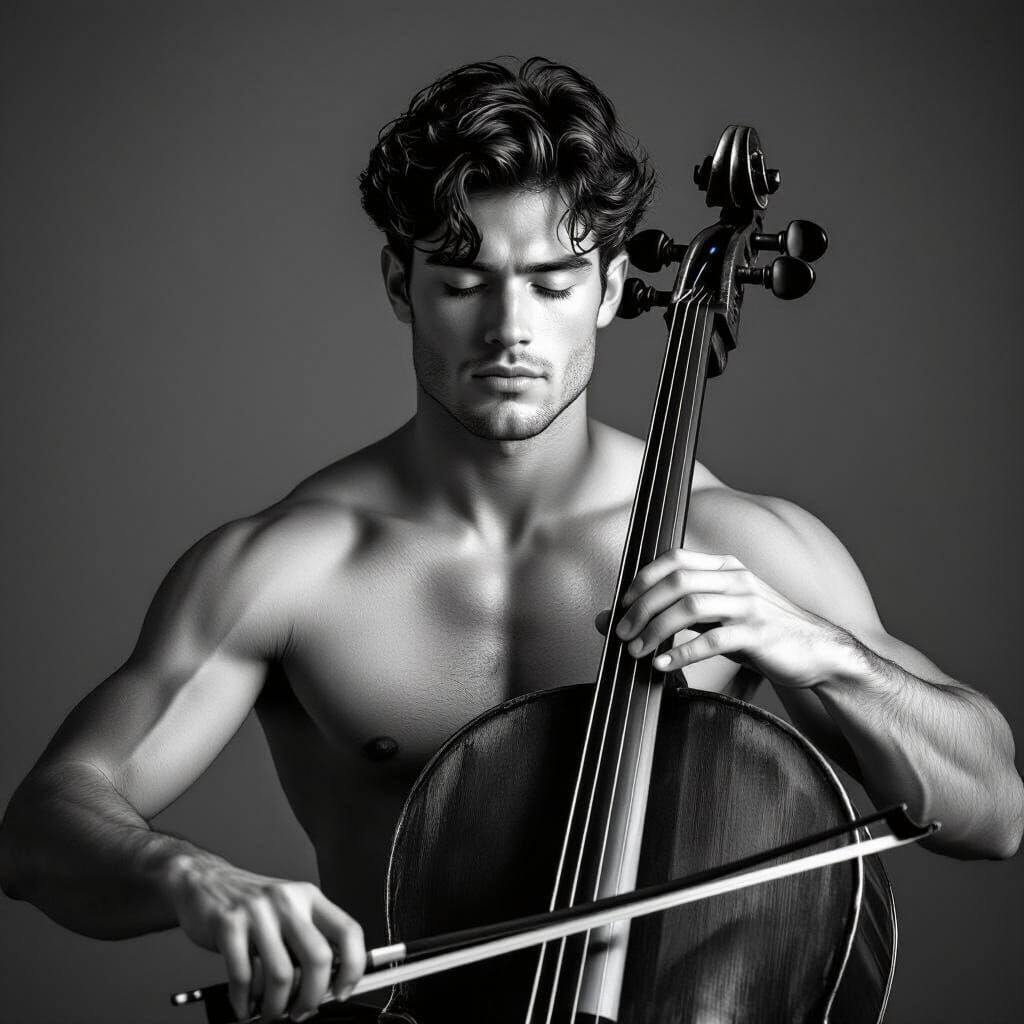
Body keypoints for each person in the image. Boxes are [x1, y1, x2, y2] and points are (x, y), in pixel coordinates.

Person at [1, 57, 1021, 1024]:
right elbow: (45, 827)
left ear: (614, 290)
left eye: (551, 281)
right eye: (462, 280)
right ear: (400, 285)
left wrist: (823, 653)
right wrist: (190, 877)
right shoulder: (289, 566)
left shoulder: (740, 542)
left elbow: (992, 810)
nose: (508, 330)